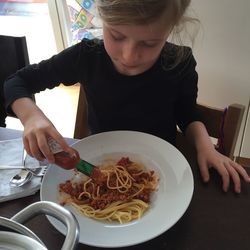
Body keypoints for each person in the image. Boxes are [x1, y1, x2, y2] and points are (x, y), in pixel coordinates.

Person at [4, 0, 250, 193]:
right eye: (117, 36)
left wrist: (206, 146)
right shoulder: (86, 57)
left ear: (170, 28)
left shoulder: (180, 63)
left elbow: (187, 113)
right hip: (96, 167)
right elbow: (17, 81)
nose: (130, 56)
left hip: (160, 171)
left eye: (150, 43)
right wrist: (32, 117)